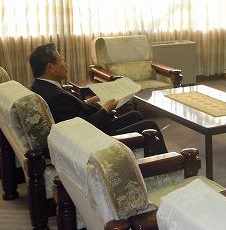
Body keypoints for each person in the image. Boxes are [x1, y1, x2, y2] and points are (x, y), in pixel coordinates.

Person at [29, 43, 167, 151]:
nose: (65, 63)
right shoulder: (56, 97)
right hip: (92, 139)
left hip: (89, 129)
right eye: (61, 60)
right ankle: (165, 167)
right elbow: (82, 129)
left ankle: (145, 153)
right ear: (50, 67)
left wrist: (88, 101)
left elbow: (70, 113)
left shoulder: (40, 86)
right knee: (150, 126)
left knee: (135, 115)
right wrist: (105, 109)